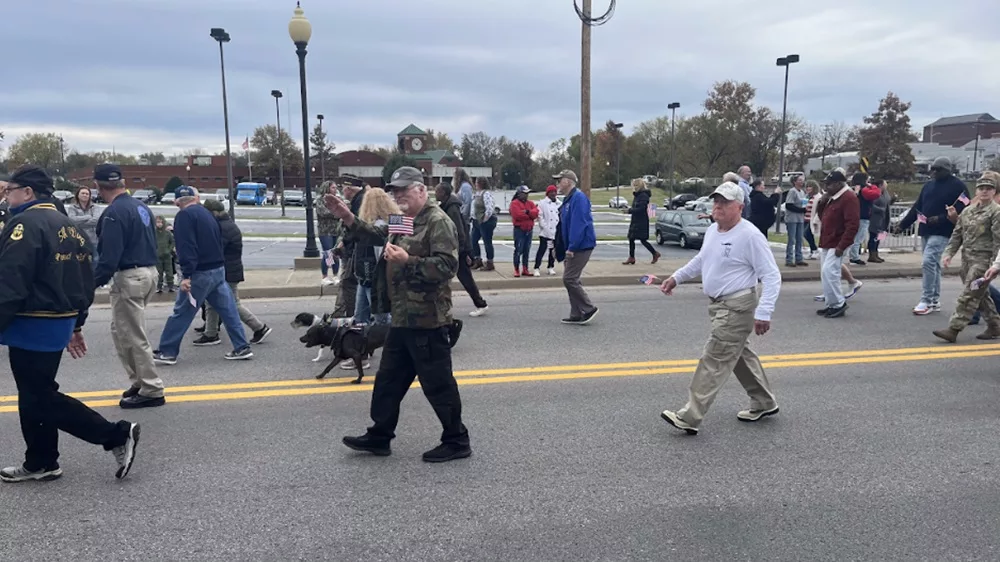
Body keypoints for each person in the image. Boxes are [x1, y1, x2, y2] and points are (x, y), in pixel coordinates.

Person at [0, 164, 140, 483]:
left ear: (28, 192)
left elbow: (11, 283)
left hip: (32, 321)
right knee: (34, 392)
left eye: (10, 191)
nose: (6, 197)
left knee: (40, 397)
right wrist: (77, 323)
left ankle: (116, 435)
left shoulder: (24, 224)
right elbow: (83, 283)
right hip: (57, 321)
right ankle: (41, 460)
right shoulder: (68, 226)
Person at [324, 166, 471, 463]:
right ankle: (380, 435)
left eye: (404, 189)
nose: (398, 195)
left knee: (438, 384)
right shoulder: (405, 220)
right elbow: (377, 234)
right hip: (401, 317)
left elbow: (447, 267)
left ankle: (457, 440)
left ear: (421, 190)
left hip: (428, 319)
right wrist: (348, 217)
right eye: (395, 190)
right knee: (388, 380)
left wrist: (409, 260)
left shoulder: (437, 221)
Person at [658, 182, 781, 435]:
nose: (718, 206)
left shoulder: (750, 235)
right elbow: (702, 259)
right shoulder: (714, 230)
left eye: (725, 202)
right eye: (716, 201)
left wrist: (764, 312)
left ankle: (690, 416)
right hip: (719, 306)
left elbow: (771, 275)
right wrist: (676, 277)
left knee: (714, 358)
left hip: (737, 307)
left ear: (739, 207)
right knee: (738, 356)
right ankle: (764, 402)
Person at [153, 186, 253, 365]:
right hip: (218, 269)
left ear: (176, 202)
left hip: (199, 272)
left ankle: (167, 351)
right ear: (196, 198)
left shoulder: (184, 216)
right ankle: (242, 346)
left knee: (182, 311)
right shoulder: (207, 214)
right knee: (228, 310)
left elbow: (187, 247)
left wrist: (186, 275)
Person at [92, 164, 165, 409]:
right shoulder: (140, 206)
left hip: (130, 275)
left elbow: (108, 258)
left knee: (132, 335)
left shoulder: (114, 213)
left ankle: (152, 388)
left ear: (97, 186)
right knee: (121, 330)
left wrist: (88, 284)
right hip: (148, 272)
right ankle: (139, 381)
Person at [894, 157, 969, 315]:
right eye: (933, 169)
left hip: (944, 230)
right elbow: (917, 207)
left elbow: (963, 206)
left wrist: (942, 218)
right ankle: (934, 300)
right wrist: (903, 224)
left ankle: (926, 300)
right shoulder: (928, 185)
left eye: (938, 169)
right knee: (933, 265)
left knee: (928, 261)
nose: (934, 172)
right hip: (926, 229)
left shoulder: (958, 186)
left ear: (947, 170)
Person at [195, 198, 273, 346]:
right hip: (229, 270)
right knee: (211, 302)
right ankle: (210, 333)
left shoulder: (223, 228)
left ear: (214, 213)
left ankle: (259, 327)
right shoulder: (225, 225)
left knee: (232, 303)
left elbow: (215, 249)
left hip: (227, 271)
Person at [932, 173, 1000, 343]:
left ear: (994, 191)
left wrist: (996, 265)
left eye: (989, 188)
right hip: (967, 259)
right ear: (976, 190)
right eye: (981, 188)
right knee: (981, 294)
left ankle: (953, 329)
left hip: (983, 260)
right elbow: (957, 234)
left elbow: (999, 240)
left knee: (969, 294)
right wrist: (948, 254)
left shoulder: (996, 212)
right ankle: (995, 325)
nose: (984, 191)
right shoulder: (968, 211)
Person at [436, 182, 489, 317]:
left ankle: (480, 304)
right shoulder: (448, 206)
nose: (436, 193)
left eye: (438, 191)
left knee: (464, 278)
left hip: (457, 250)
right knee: (449, 278)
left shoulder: (452, 209)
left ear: (445, 193)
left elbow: (459, 230)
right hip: (454, 249)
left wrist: (462, 251)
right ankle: (443, 306)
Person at [553, 169, 598, 325]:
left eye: (560, 180)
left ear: (568, 181)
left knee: (569, 279)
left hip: (581, 246)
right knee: (572, 279)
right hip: (572, 245)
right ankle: (576, 313)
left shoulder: (578, 198)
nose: (557, 183)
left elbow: (579, 225)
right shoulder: (568, 199)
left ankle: (588, 308)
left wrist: (572, 247)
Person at [815, 168, 860, 319]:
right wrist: (822, 203)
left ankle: (838, 304)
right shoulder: (834, 197)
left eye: (829, 184)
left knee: (830, 272)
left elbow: (853, 224)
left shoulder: (849, 197)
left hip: (838, 241)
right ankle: (831, 304)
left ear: (839, 184)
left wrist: (842, 245)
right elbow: (823, 217)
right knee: (825, 272)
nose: (826, 188)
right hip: (829, 240)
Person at [352, 186, 399, 327]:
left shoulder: (375, 227)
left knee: (380, 318)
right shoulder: (391, 222)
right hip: (368, 277)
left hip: (370, 276)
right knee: (363, 317)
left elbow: (380, 256)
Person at [331, 175, 365, 317]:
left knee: (348, 283)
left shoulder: (359, 202)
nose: (341, 191)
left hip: (355, 249)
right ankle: (346, 313)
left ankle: (349, 315)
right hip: (351, 246)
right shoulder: (358, 200)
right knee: (349, 283)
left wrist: (343, 242)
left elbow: (356, 227)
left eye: (343, 188)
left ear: (349, 189)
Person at [622, 178, 661, 265]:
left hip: (641, 221)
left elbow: (641, 209)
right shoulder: (637, 195)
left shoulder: (643, 196)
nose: (634, 187)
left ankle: (655, 253)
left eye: (636, 185)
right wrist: (629, 209)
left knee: (643, 240)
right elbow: (636, 207)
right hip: (635, 220)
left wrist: (630, 210)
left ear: (640, 186)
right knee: (631, 238)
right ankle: (631, 257)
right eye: (634, 186)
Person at [849, 173, 881, 266]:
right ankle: (854, 257)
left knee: (855, 237)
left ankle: (853, 256)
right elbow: (877, 193)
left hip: (856, 215)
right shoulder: (865, 190)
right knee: (859, 238)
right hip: (863, 217)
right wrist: (872, 186)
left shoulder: (855, 190)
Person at [315, 180, 342, 287]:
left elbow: (343, 210)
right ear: (327, 188)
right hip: (325, 231)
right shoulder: (320, 200)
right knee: (328, 252)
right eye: (333, 188)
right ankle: (325, 276)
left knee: (336, 252)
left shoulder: (338, 199)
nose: (335, 190)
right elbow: (323, 213)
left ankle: (335, 275)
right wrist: (336, 213)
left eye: (336, 188)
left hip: (336, 230)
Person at [509, 185, 539, 277]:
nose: (526, 195)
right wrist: (529, 215)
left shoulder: (530, 203)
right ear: (519, 194)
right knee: (518, 250)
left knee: (527, 250)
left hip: (529, 229)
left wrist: (528, 212)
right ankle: (516, 269)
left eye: (527, 193)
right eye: (524, 193)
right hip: (519, 230)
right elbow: (517, 215)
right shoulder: (514, 203)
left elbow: (536, 213)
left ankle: (525, 269)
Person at [470, 177, 497, 271]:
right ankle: (478, 260)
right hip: (476, 220)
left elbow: (490, 208)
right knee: (473, 240)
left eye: (477, 182)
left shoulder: (486, 194)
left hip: (486, 221)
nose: (475, 184)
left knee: (487, 241)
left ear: (481, 183)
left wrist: (484, 219)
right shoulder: (476, 194)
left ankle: (490, 262)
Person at [67, 186, 100, 259]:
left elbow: (96, 220)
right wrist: (88, 217)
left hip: (93, 239)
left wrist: (79, 224)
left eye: (87, 194)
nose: (85, 195)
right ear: (78, 195)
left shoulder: (95, 207)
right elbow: (71, 220)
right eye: (83, 193)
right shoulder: (72, 207)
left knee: (96, 259)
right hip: (77, 239)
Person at [534, 185, 560, 276]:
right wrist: (545, 227)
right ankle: (536, 268)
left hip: (555, 232)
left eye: (554, 192)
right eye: (551, 192)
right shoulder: (542, 203)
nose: (553, 193)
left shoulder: (559, 203)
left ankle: (550, 267)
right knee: (541, 250)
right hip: (545, 232)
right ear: (547, 193)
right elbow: (540, 217)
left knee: (552, 252)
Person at [866, 179, 892, 264]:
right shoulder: (875, 193)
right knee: (873, 237)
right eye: (885, 184)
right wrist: (880, 209)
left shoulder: (885, 193)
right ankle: (871, 255)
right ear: (880, 185)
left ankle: (876, 254)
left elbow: (888, 202)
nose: (886, 185)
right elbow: (871, 205)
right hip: (876, 219)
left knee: (879, 237)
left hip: (884, 219)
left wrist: (893, 200)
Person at [784, 175, 808, 267]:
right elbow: (788, 205)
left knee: (799, 238)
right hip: (792, 218)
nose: (802, 182)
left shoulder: (802, 192)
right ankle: (789, 259)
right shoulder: (792, 191)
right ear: (795, 182)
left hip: (800, 219)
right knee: (792, 239)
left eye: (802, 180)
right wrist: (800, 210)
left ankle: (799, 258)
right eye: (800, 180)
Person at [154, 215, 176, 293]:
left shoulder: (168, 233)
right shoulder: (153, 233)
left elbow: (172, 242)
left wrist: (169, 250)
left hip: (167, 256)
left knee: (169, 272)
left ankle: (171, 286)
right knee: (159, 273)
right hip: (158, 256)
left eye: (161, 222)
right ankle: (159, 287)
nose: (159, 224)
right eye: (158, 222)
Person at [803, 180, 820, 259]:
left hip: (812, 219)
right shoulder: (808, 197)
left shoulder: (818, 197)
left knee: (807, 234)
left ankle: (815, 249)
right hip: (806, 219)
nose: (808, 188)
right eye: (807, 186)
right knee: (807, 235)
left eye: (810, 186)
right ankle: (812, 251)